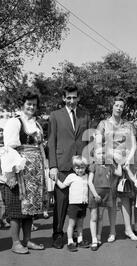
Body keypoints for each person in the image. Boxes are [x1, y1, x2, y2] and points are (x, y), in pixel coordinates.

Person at [3, 90, 46, 254]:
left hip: (35, 171)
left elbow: (40, 147)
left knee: (31, 208)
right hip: (19, 169)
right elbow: (9, 148)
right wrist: (12, 172)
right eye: (29, 104)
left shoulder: (37, 124)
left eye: (34, 104)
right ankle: (16, 243)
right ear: (23, 104)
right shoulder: (15, 122)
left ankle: (27, 240)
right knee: (16, 207)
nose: (32, 107)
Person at [48, 85, 91, 249]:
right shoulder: (55, 116)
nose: (72, 101)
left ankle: (76, 236)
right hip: (62, 165)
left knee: (78, 203)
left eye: (74, 97)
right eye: (69, 98)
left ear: (78, 98)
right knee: (61, 203)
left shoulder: (85, 116)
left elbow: (88, 141)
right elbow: (51, 142)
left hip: (80, 167)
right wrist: (53, 165)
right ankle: (58, 235)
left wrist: (88, 163)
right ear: (64, 98)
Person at [94, 96, 137, 242]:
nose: (119, 108)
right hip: (110, 165)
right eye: (117, 105)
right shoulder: (103, 124)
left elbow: (134, 145)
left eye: (121, 106)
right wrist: (112, 156)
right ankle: (112, 231)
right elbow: (98, 145)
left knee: (126, 198)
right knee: (111, 199)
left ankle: (128, 229)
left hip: (125, 164)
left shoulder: (129, 125)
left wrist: (128, 160)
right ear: (112, 107)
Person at [88, 149, 122, 251]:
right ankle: (94, 239)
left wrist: (119, 163)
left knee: (100, 216)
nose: (101, 155)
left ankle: (98, 236)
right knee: (94, 217)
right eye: (99, 153)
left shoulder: (109, 166)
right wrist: (95, 195)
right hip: (95, 195)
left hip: (105, 195)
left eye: (103, 153)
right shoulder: (93, 166)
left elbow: (119, 173)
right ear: (94, 156)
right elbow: (90, 182)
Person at [55, 156, 89, 252]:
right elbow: (62, 186)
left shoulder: (87, 177)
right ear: (74, 168)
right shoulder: (71, 177)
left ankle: (80, 240)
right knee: (71, 224)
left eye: (82, 167)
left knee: (80, 224)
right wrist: (56, 179)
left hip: (83, 204)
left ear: (85, 167)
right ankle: (70, 242)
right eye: (77, 168)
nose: (80, 170)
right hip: (73, 205)